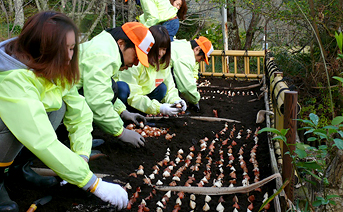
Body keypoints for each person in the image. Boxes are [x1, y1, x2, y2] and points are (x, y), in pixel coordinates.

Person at [0, 11, 128, 212]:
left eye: (72, 48)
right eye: (66, 49)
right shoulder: (11, 77)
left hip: (27, 129)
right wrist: (93, 183)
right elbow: (40, 138)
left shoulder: (47, 63)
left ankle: (18, 169)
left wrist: (82, 156)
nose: (70, 56)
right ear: (45, 48)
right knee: (9, 126)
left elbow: (80, 111)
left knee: (60, 105)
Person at [77, 22, 155, 148]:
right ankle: (72, 146)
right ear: (121, 43)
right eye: (136, 56)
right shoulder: (104, 55)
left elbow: (104, 88)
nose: (135, 64)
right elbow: (97, 101)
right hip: (53, 104)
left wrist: (122, 111)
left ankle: (81, 141)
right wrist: (121, 132)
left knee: (113, 87)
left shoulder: (106, 47)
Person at [117, 25, 187, 115]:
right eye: (158, 49)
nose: (160, 53)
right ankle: (124, 115)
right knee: (122, 88)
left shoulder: (163, 64)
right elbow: (133, 95)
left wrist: (176, 100)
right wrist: (159, 108)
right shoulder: (135, 62)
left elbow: (170, 88)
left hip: (143, 99)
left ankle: (143, 115)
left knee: (162, 88)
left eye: (164, 49)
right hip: (128, 99)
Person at [170, 36, 214, 112]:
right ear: (197, 49)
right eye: (201, 58)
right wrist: (195, 100)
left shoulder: (182, 44)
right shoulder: (186, 56)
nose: (199, 61)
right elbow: (186, 87)